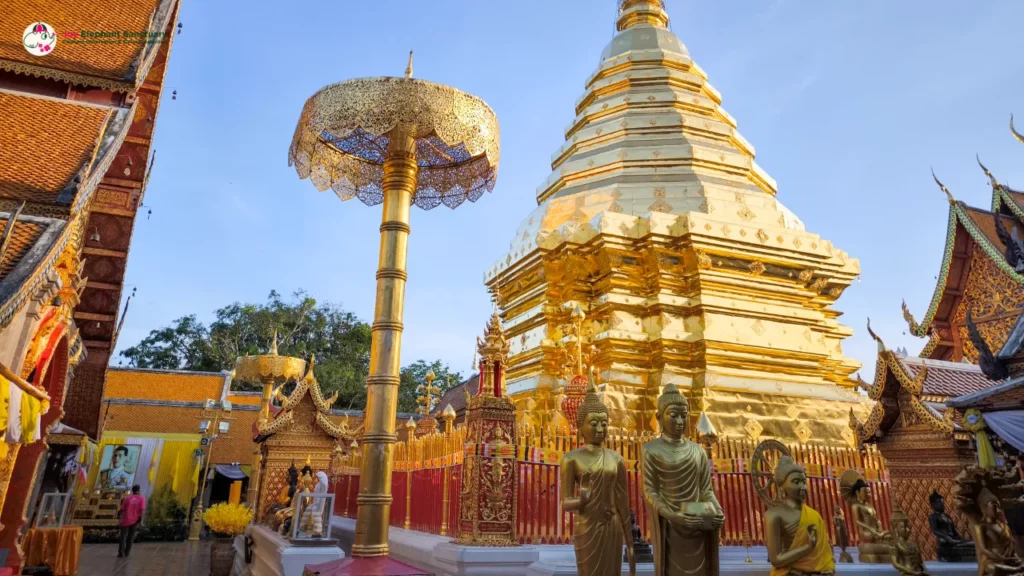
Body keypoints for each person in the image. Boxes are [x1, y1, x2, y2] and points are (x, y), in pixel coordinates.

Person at [641, 382, 723, 576]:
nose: (680, 421)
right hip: (671, 527)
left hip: (698, 524)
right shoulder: (651, 450)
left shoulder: (697, 451)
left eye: (684, 416)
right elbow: (650, 490)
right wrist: (672, 515)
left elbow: (706, 490)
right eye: (674, 415)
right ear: (659, 417)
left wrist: (717, 510)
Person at [118, 485, 146, 558]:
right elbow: (142, 510)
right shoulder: (142, 498)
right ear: (139, 490)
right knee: (131, 536)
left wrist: (120, 519)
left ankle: (121, 552)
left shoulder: (127, 498)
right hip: (135, 520)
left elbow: (122, 510)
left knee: (123, 536)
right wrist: (142, 521)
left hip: (125, 520)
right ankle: (127, 552)